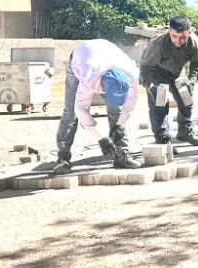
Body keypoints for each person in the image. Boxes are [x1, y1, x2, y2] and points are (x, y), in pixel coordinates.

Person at [53, 39, 141, 173]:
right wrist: (101, 138)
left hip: (104, 53)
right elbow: (81, 109)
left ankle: (122, 154)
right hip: (81, 57)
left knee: (116, 111)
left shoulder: (132, 75)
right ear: (103, 85)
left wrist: (119, 124)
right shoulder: (89, 77)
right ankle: (63, 158)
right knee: (70, 111)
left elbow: (132, 101)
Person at [139, 15, 198, 146]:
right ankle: (163, 140)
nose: (178, 41)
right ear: (170, 31)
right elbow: (145, 67)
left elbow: (197, 63)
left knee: (187, 99)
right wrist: (151, 86)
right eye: (175, 36)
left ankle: (185, 132)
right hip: (156, 74)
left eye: (183, 37)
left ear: (190, 32)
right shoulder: (158, 44)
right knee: (160, 104)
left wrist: (191, 80)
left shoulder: (194, 43)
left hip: (177, 74)